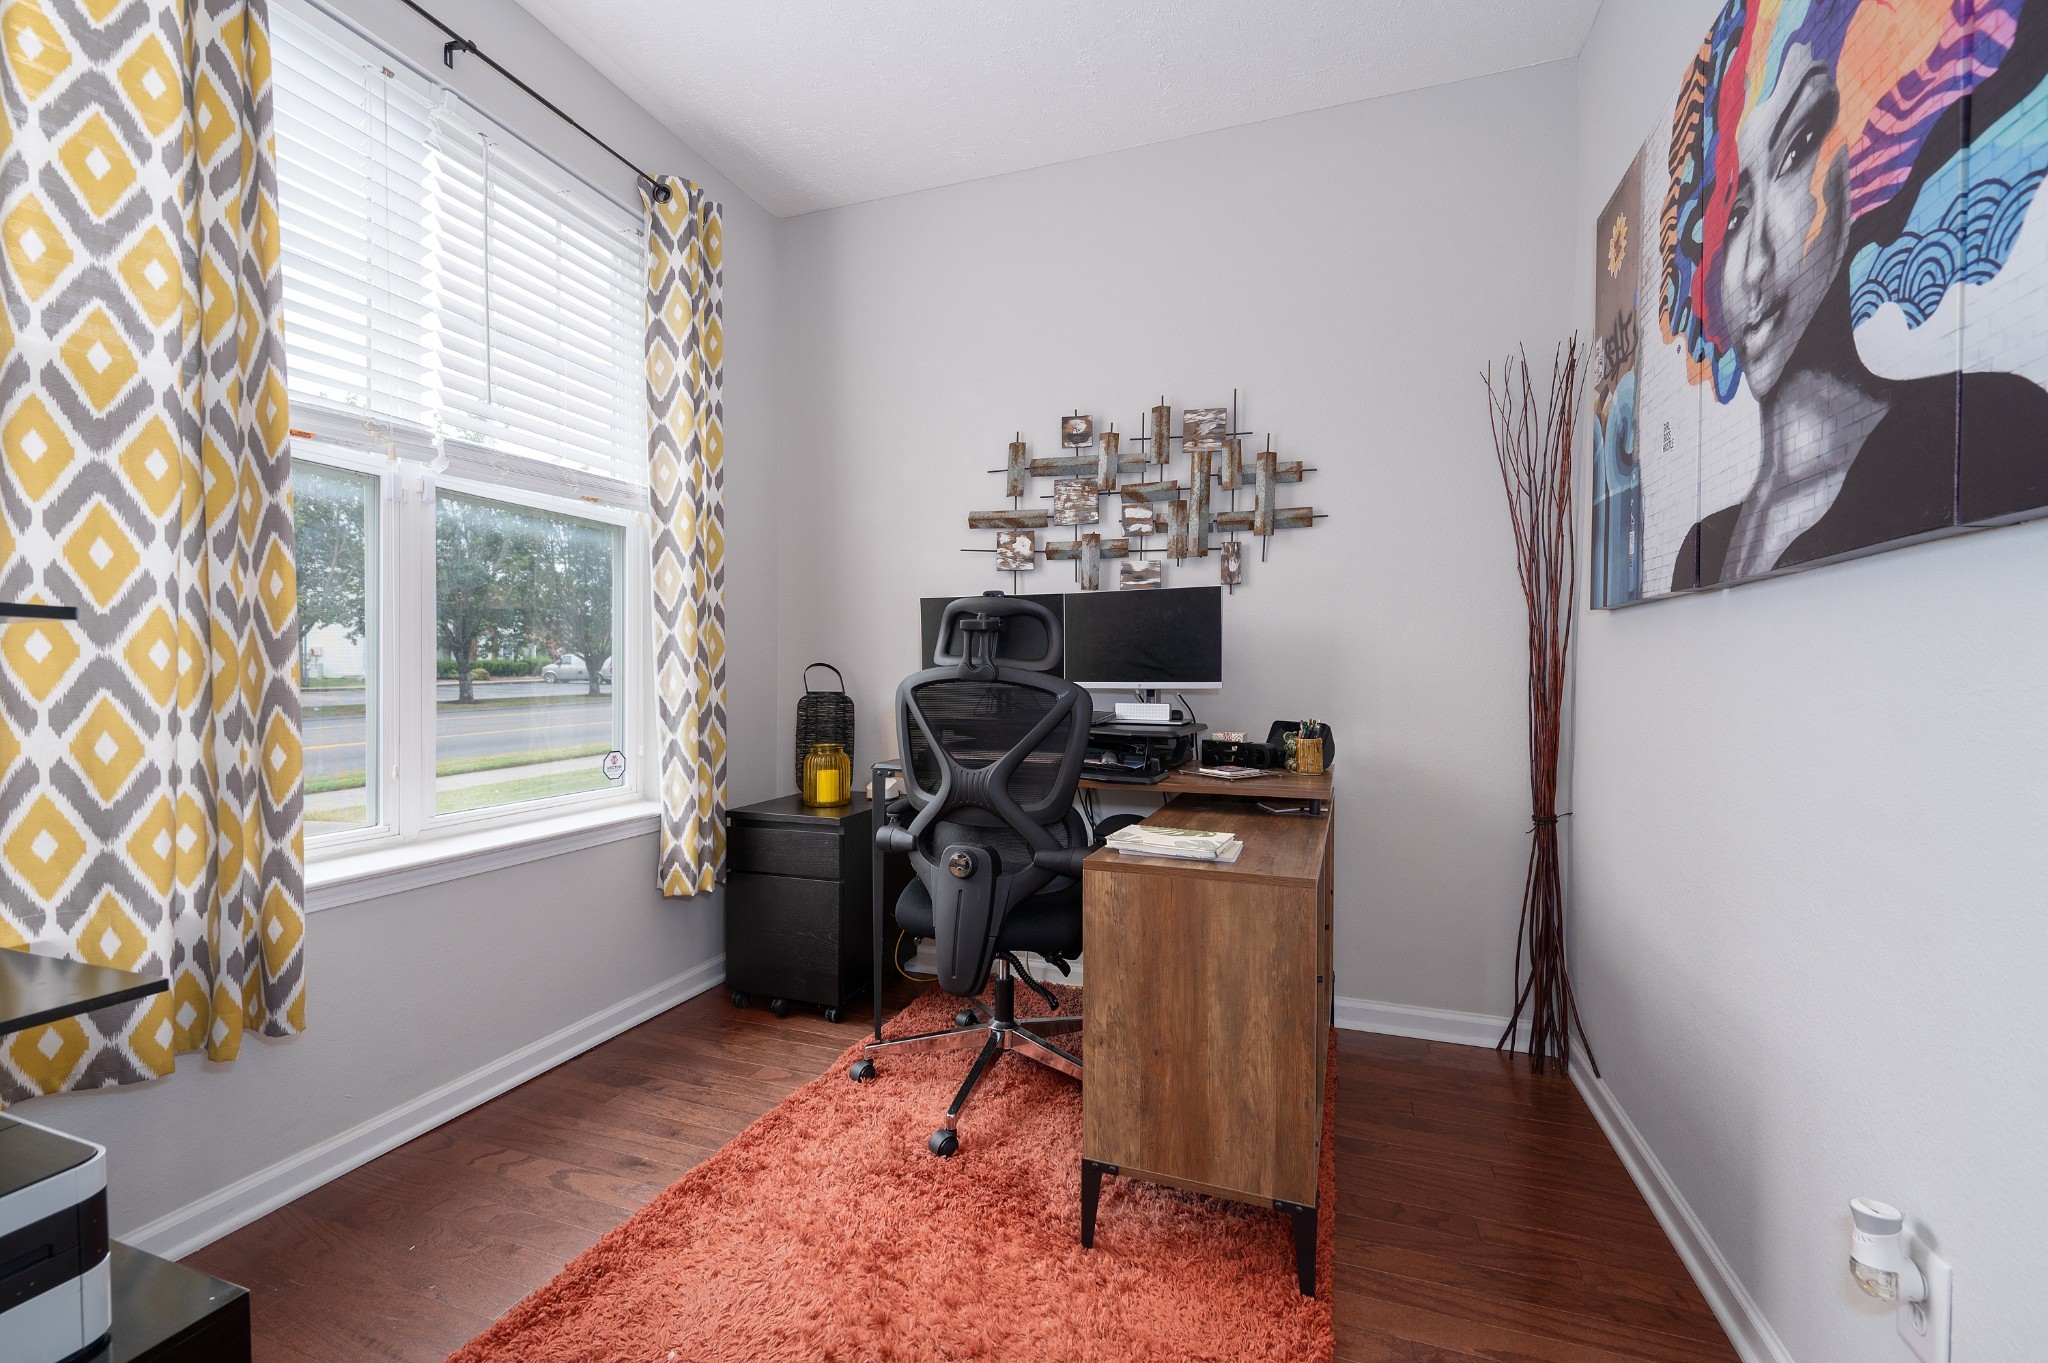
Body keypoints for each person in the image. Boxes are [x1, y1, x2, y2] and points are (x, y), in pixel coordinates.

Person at [1663, 0, 2048, 589]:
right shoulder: (1701, 550)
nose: (1756, 261)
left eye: (1797, 151)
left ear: (1863, 151)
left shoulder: (1982, 436)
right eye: (1734, 214)